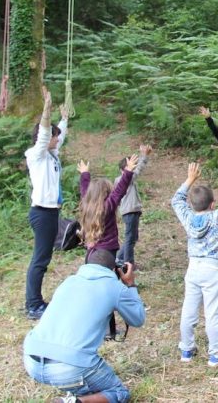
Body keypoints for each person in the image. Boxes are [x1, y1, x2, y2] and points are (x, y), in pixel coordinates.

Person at [22, 249, 146, 403]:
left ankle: (73, 391)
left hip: (31, 360)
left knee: (74, 376)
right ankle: (72, 401)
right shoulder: (115, 287)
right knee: (119, 393)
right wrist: (130, 284)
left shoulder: (69, 281)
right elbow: (138, 319)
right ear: (115, 269)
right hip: (70, 368)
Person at [171, 160, 218, 366]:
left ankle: (186, 349)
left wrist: (189, 179)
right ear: (213, 204)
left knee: (189, 309)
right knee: (212, 312)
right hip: (212, 269)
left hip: (193, 268)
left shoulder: (188, 217)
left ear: (192, 205)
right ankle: (217, 354)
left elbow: (176, 200)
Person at [24, 87, 69, 320]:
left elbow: (59, 135)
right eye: (54, 136)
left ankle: (36, 301)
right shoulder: (36, 155)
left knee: (44, 258)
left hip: (51, 212)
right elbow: (45, 134)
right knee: (40, 259)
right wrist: (47, 108)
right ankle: (33, 304)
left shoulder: (52, 154)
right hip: (41, 213)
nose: (56, 138)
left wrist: (64, 119)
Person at [78, 155, 139, 261]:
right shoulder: (107, 207)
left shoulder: (87, 206)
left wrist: (84, 174)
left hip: (90, 253)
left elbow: (85, 191)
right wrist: (128, 171)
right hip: (107, 254)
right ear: (106, 193)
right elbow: (120, 190)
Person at [115, 144, 152, 266]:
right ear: (123, 170)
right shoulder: (123, 179)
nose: (133, 169)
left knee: (132, 238)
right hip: (129, 211)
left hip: (132, 211)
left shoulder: (126, 180)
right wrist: (144, 156)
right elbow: (138, 171)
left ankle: (118, 258)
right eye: (130, 167)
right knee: (130, 238)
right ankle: (128, 263)